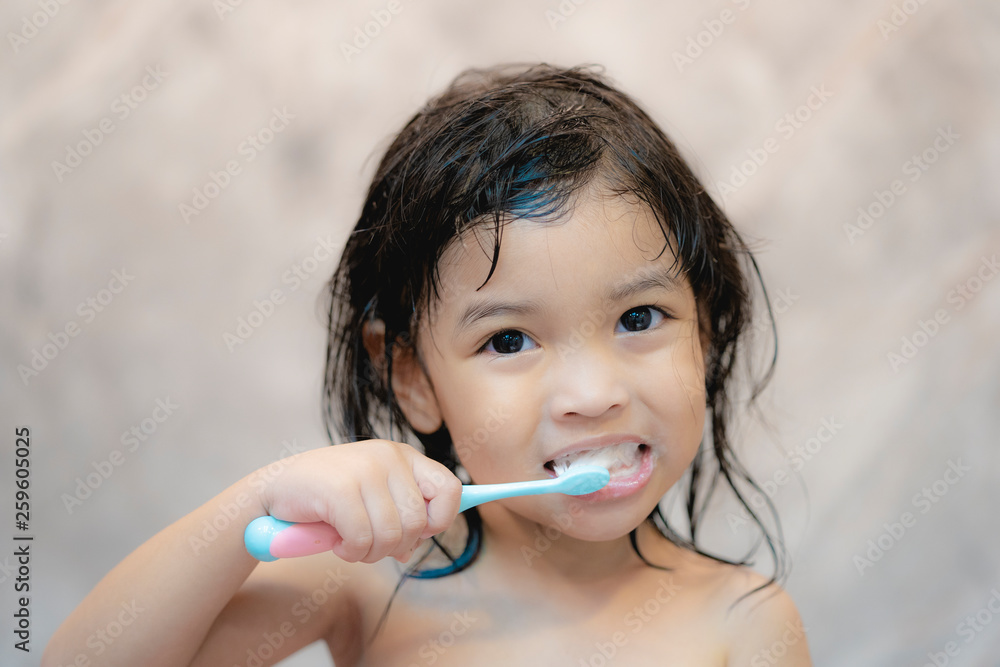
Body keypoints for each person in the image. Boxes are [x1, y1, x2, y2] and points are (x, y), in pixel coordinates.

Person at [44, 63, 811, 666]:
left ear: (705, 328)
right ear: (411, 377)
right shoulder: (373, 577)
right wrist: (257, 500)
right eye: (508, 339)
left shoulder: (744, 624)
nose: (593, 393)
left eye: (639, 319)